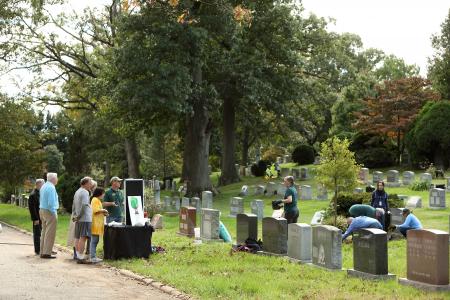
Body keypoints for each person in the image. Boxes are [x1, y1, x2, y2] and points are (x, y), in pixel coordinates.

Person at [39, 173, 59, 259]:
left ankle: (43, 251)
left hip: (42, 210)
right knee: (50, 233)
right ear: (53, 179)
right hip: (49, 210)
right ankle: (47, 253)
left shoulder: (43, 186)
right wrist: (53, 211)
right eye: (56, 178)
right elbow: (51, 202)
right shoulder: (51, 187)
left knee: (44, 231)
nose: (57, 179)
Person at [73, 177, 93, 261]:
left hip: (79, 218)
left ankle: (77, 255)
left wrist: (75, 215)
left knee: (77, 237)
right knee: (83, 237)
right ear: (85, 184)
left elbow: (74, 205)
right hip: (84, 218)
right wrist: (79, 216)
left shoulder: (77, 191)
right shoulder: (85, 192)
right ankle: (81, 256)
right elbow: (84, 205)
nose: (91, 185)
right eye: (90, 183)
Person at [90, 187, 108, 263]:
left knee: (95, 240)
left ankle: (93, 256)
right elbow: (95, 211)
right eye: (103, 193)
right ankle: (93, 257)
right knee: (94, 240)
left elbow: (98, 211)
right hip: (95, 223)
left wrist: (103, 213)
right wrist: (103, 210)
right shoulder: (95, 200)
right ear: (99, 193)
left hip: (98, 223)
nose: (104, 195)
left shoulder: (98, 200)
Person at [28, 179, 45, 255]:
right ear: (38, 185)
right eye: (42, 185)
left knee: (41, 233)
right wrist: (35, 219)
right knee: (37, 234)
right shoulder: (33, 195)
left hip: (42, 217)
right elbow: (32, 208)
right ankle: (37, 250)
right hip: (37, 218)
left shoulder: (40, 193)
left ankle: (42, 248)